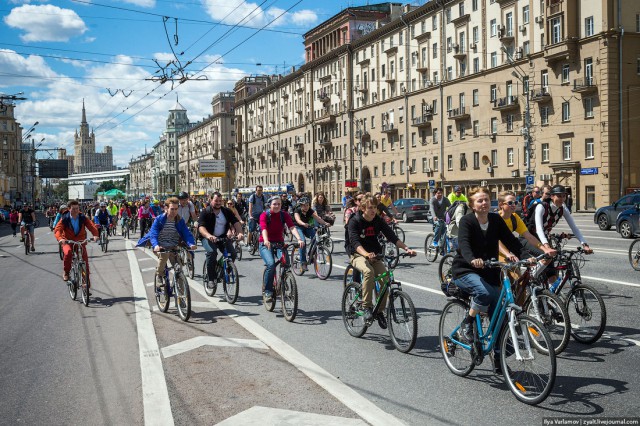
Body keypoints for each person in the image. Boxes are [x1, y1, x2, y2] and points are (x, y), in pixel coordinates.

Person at [450, 187, 525, 373]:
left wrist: (525, 256)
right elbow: (465, 245)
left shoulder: (496, 219)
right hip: (466, 270)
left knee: (500, 312)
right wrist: (472, 260)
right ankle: (467, 323)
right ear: (472, 205)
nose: (484, 203)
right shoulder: (467, 221)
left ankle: (499, 360)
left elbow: (511, 241)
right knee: (485, 293)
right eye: (479, 201)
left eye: (486, 200)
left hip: (489, 271)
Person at [347, 194, 416, 327]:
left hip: (374, 255)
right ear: (362, 209)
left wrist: (406, 249)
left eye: (375, 207)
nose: (374, 210)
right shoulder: (355, 221)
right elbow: (355, 242)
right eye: (370, 208)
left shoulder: (377, 220)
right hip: (358, 254)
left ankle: (379, 311)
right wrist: (366, 254)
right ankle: (366, 307)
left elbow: (392, 236)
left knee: (385, 280)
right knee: (368, 272)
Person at [528, 185, 592, 284]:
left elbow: (574, 227)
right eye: (559, 196)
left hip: (543, 239)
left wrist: (585, 244)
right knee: (547, 257)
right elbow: (539, 229)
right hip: (530, 238)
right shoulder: (542, 206)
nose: (562, 199)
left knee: (552, 274)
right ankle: (529, 281)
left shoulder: (562, 209)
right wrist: (546, 246)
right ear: (552, 196)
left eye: (564, 196)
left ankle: (550, 297)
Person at [137, 197, 196, 284]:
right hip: (160, 246)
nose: (174, 211)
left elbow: (186, 233)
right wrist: (156, 245)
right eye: (172, 209)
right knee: (164, 255)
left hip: (173, 246)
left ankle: (181, 294)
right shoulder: (159, 219)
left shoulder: (179, 220)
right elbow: (153, 234)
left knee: (179, 269)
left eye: (176, 209)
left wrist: (191, 243)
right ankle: (159, 275)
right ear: (166, 208)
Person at [260, 196, 304, 302]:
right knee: (271, 264)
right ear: (269, 205)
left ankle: (283, 281)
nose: (277, 206)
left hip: (279, 243)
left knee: (286, 264)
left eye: (279, 204)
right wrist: (266, 240)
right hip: (265, 244)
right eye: (274, 204)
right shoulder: (264, 215)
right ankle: (268, 292)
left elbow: (292, 227)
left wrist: (299, 239)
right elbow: (264, 228)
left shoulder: (284, 215)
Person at [198, 192, 244, 289]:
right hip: (208, 237)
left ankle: (222, 270)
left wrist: (240, 233)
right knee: (212, 252)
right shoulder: (206, 211)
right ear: (211, 200)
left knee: (232, 253)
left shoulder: (226, 211)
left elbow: (235, 222)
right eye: (216, 201)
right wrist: (209, 236)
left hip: (222, 237)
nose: (218, 203)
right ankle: (211, 279)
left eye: (220, 201)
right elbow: (201, 227)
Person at [496, 191, 556, 260]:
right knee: (510, 269)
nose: (513, 205)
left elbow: (529, 236)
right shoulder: (495, 218)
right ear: (501, 205)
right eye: (510, 203)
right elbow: (496, 240)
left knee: (536, 262)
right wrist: (507, 254)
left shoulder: (514, 218)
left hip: (508, 251)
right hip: (494, 252)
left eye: (515, 203)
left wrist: (545, 249)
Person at [55, 200, 100, 283]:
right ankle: (66, 272)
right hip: (67, 241)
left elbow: (91, 226)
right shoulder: (65, 218)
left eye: (77, 208)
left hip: (80, 241)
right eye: (73, 209)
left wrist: (95, 235)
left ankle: (85, 284)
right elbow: (58, 230)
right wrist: (60, 238)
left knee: (85, 263)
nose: (76, 211)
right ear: (69, 209)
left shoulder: (82, 217)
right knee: (68, 253)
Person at [293, 197, 332, 271]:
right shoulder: (297, 210)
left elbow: (318, 218)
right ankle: (303, 262)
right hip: (298, 227)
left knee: (316, 238)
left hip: (307, 226)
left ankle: (311, 255)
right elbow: (298, 220)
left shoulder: (310, 211)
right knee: (303, 242)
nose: (306, 207)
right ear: (301, 205)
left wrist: (325, 223)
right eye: (304, 205)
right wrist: (303, 224)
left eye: (307, 205)